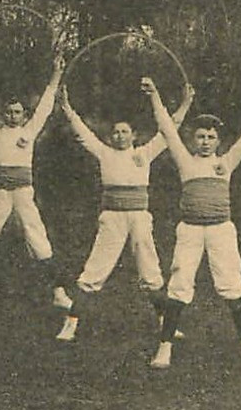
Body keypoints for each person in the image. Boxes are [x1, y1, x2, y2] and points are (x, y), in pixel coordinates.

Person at [143, 76, 241, 369]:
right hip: (190, 230)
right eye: (200, 136)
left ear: (219, 141)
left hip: (221, 230)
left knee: (231, 283)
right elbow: (166, 127)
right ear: (193, 139)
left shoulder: (225, 163)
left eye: (211, 137)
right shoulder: (185, 161)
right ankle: (164, 348)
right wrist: (154, 95)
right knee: (179, 284)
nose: (205, 142)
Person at [55, 82, 194, 341]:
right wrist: (66, 107)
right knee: (95, 270)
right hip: (113, 219)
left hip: (140, 217)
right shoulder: (104, 153)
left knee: (151, 270)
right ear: (111, 137)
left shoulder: (145, 152)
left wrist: (185, 103)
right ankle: (71, 324)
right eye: (116, 132)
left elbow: (169, 129)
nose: (119, 136)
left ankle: (167, 324)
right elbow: (83, 132)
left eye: (124, 131)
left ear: (134, 135)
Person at [0, 51, 72, 308]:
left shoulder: (30, 132)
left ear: (24, 115)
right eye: (9, 112)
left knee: (40, 243)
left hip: (23, 194)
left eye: (17, 112)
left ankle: (58, 294)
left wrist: (56, 74)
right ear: (3, 115)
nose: (13, 116)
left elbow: (46, 106)